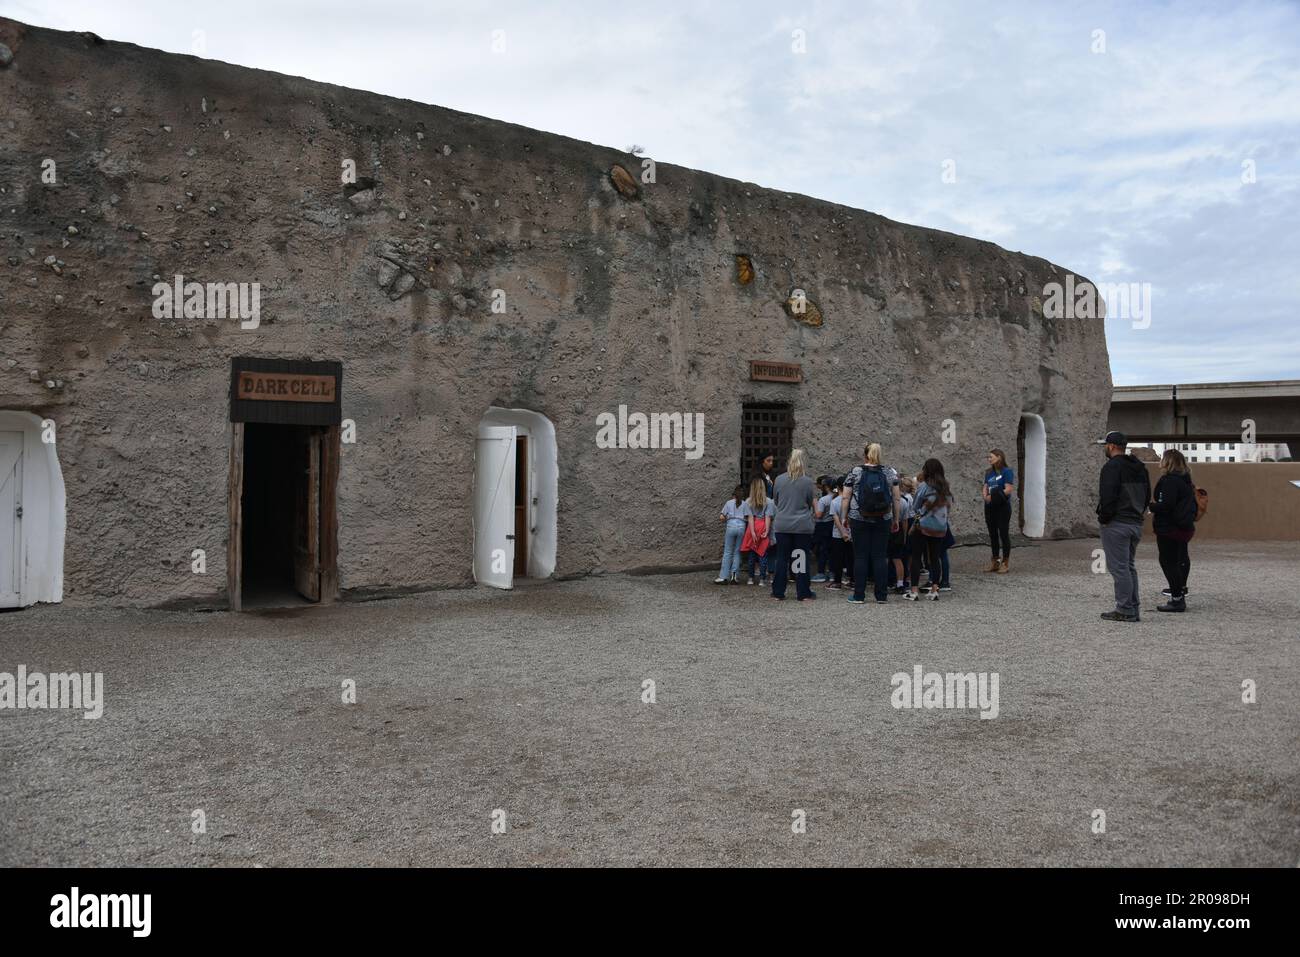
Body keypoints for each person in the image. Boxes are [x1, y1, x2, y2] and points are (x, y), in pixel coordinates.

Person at [1096, 430, 1151, 623]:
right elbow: (1146, 496)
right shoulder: (1140, 467)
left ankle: (1125, 608)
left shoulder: (1111, 467)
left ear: (1111, 446)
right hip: (1135, 522)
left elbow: (1108, 496)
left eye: (1105, 445)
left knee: (1119, 568)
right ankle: (1132, 607)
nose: (1104, 448)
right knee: (1128, 566)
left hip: (1117, 523)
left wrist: (1104, 518)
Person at [843, 443, 901, 605]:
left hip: (859, 517)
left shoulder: (855, 472)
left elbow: (846, 497)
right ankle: (881, 596)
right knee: (880, 556)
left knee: (860, 556)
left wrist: (843, 516)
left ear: (865, 455)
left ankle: (859, 595)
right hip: (883, 518)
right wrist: (896, 519)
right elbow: (896, 498)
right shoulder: (889, 472)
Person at [1149, 449, 1196, 613]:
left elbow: (1166, 505)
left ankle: (1177, 599)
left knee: (1168, 562)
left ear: (1167, 462)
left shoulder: (1169, 481)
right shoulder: (1186, 481)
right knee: (1180, 558)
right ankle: (1180, 590)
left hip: (1169, 528)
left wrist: (1151, 506)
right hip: (1184, 527)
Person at [771, 448, 820, 601]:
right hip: (801, 525)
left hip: (783, 523)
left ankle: (778, 592)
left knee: (782, 558)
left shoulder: (779, 479)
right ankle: (803, 592)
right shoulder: (807, 481)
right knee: (800, 558)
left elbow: (776, 501)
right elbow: (809, 502)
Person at [906, 459, 951, 602]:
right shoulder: (946, 488)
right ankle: (934, 590)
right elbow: (948, 507)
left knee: (916, 557)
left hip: (924, 526)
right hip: (940, 527)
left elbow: (916, 506)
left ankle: (913, 591)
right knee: (935, 558)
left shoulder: (925, 486)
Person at [982, 449, 1015, 574]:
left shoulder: (1007, 472)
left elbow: (1008, 489)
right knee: (993, 534)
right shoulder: (989, 472)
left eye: (991, 457)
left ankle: (1005, 563)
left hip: (1002, 506)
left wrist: (994, 496)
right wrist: (986, 497)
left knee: (1003, 534)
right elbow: (985, 487)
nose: (989, 459)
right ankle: (995, 561)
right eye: (988, 457)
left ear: (999, 457)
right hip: (990, 506)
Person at [741, 477, 774, 585]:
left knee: (751, 555)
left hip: (753, 526)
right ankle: (762, 580)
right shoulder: (768, 501)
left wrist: (752, 532)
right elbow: (768, 517)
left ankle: (750, 578)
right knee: (763, 554)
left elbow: (750, 518)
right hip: (763, 525)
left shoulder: (748, 501)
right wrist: (767, 530)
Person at [715, 484, 747, 584]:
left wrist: (727, 518)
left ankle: (723, 577)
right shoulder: (745, 504)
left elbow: (721, 517)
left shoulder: (729, 503)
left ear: (734, 495)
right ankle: (735, 576)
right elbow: (748, 518)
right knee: (737, 552)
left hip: (730, 527)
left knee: (728, 551)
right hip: (741, 527)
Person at [889, 475, 915, 594]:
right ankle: (900, 583)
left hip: (888, 529)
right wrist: (904, 535)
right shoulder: (904, 501)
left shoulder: (889, 500)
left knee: (886, 557)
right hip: (899, 530)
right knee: (897, 558)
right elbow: (905, 521)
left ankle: (886, 581)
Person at [828, 476, 852, 589]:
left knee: (838, 558)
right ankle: (853, 580)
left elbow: (836, 519)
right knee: (852, 557)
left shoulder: (835, 501)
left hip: (838, 534)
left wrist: (842, 532)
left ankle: (837, 581)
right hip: (852, 533)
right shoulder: (852, 500)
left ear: (837, 487)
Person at [812, 476, 835, 583]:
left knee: (822, 550)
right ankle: (831, 572)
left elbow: (818, 515)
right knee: (831, 550)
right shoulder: (836, 497)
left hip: (823, 526)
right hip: (832, 525)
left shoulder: (823, 500)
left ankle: (821, 573)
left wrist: (815, 503)